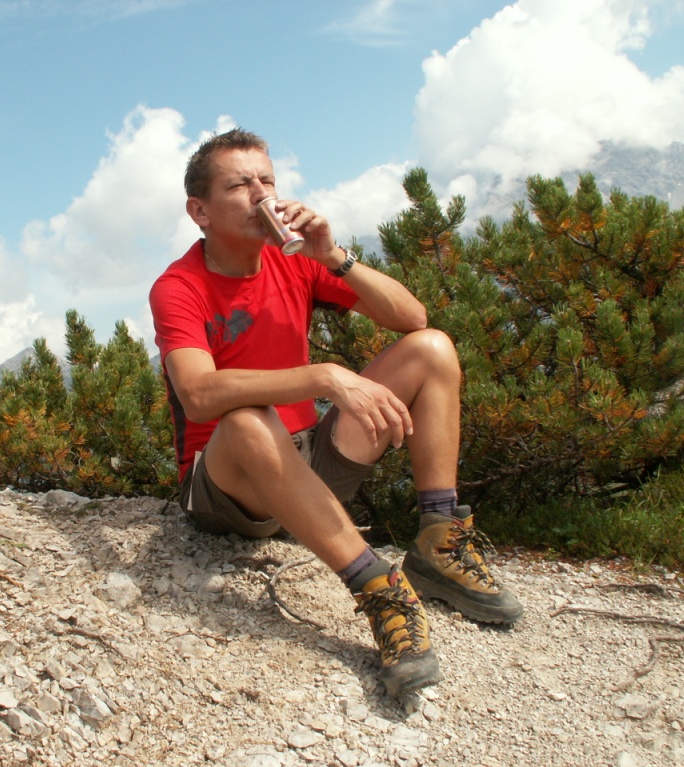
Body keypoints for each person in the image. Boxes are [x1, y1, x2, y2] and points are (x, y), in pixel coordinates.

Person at [148, 128, 522, 698]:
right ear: (199, 211)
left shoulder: (294, 260)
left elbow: (413, 319)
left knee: (432, 350)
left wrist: (333, 257)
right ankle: (380, 591)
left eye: (267, 180)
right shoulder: (179, 286)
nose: (261, 194)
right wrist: (323, 376)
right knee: (247, 418)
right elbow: (198, 394)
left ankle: (440, 542)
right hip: (227, 484)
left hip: (308, 465)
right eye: (240, 185)